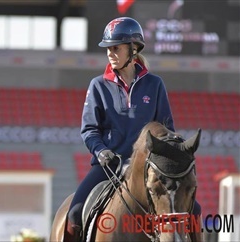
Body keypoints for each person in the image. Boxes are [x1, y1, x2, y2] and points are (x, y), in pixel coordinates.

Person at [64, 17, 176, 241]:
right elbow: (89, 130)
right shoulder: (98, 85)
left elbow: (166, 131)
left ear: (133, 50)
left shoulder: (155, 85)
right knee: (74, 214)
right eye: (108, 48)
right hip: (108, 166)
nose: (110, 53)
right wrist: (100, 151)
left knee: (194, 211)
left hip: (148, 170)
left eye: (116, 48)